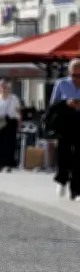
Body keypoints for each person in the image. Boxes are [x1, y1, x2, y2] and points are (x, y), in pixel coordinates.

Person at [49, 58, 80, 200]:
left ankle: (76, 190)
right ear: (69, 72)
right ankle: (62, 179)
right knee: (63, 154)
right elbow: (53, 105)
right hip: (65, 122)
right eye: (73, 75)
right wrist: (66, 102)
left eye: (79, 75)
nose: (76, 78)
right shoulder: (61, 83)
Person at [0, 79, 21, 173]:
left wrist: (19, 125)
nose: (3, 89)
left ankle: (8, 164)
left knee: (10, 144)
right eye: (1, 87)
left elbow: (18, 112)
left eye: (5, 87)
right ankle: (0, 163)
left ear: (8, 88)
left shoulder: (14, 98)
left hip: (11, 122)